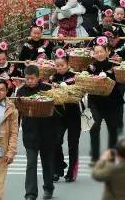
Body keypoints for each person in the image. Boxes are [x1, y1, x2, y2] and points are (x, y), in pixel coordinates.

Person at [15, 65, 56, 200]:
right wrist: (14, 132)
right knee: (31, 163)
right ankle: (31, 194)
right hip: (29, 133)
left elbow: (55, 110)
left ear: (38, 78)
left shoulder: (48, 89)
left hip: (48, 132)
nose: (30, 81)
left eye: (32, 78)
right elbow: (18, 114)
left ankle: (48, 188)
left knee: (47, 163)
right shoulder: (20, 92)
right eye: (27, 78)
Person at [87, 43, 124, 164]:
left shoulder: (115, 65)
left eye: (101, 51)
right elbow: (86, 80)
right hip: (95, 101)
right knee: (94, 127)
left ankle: (111, 155)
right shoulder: (90, 67)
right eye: (96, 52)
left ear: (107, 52)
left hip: (112, 101)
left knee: (112, 129)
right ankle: (95, 157)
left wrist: (110, 76)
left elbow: (120, 81)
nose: (99, 54)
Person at [48, 51, 82, 183]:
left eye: (62, 65)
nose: (60, 68)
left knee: (73, 144)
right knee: (56, 142)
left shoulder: (76, 76)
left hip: (73, 114)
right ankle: (58, 168)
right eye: (57, 65)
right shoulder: (52, 78)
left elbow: (79, 92)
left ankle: (71, 172)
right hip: (58, 114)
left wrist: (66, 88)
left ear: (68, 64)